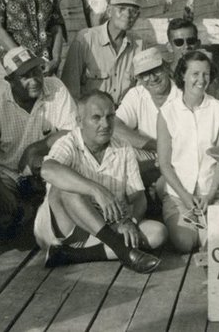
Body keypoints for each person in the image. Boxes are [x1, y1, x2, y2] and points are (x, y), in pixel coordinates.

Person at [34, 91, 165, 273]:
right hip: (64, 230)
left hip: (105, 229)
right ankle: (124, 252)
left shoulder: (123, 146)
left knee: (157, 233)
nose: (105, 124)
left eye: (110, 116)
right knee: (65, 188)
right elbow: (48, 170)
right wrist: (96, 190)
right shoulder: (68, 143)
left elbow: (138, 197)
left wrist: (130, 221)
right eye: (96, 118)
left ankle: (71, 255)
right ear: (79, 121)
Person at [0, 47, 77, 238]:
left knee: (68, 193)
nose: (35, 80)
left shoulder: (56, 87)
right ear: (9, 80)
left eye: (37, 71)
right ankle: (21, 215)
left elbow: (72, 132)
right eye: (25, 76)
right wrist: (2, 191)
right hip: (7, 173)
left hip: (44, 169)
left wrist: (36, 148)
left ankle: (35, 216)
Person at [156, 50, 219, 253]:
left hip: (215, 192)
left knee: (213, 243)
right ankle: (196, 226)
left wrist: (210, 195)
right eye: (195, 74)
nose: (201, 80)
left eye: (206, 74)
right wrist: (185, 196)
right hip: (178, 195)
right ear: (183, 75)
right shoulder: (167, 112)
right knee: (185, 242)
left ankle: (208, 226)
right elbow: (164, 164)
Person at [113, 47, 180, 190]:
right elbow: (115, 126)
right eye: (145, 74)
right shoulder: (136, 94)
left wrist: (167, 153)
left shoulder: (182, 94)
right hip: (151, 153)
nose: (152, 78)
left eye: (156, 70)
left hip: (179, 154)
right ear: (138, 79)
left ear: (166, 68)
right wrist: (158, 147)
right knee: (118, 152)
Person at [61, 0, 141, 104]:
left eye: (133, 11)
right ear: (109, 11)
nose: (127, 15)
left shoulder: (139, 46)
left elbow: (141, 91)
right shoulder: (85, 40)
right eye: (121, 9)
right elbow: (69, 90)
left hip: (124, 117)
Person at [166, 16, 219, 101]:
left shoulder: (203, 74)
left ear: (198, 44)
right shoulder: (164, 76)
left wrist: (208, 68)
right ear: (169, 47)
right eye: (179, 42)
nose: (186, 46)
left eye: (190, 41)